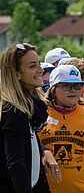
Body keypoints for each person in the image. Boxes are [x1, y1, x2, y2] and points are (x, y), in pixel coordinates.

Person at [38, 65, 84, 193]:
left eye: (77, 86)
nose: (73, 90)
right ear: (53, 89)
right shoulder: (40, 114)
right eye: (66, 86)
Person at [0, 43, 52, 192]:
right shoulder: (12, 110)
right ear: (17, 73)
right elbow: (16, 164)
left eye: (39, 64)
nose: (40, 70)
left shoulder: (24, 106)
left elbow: (27, 141)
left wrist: (44, 150)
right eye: (32, 66)